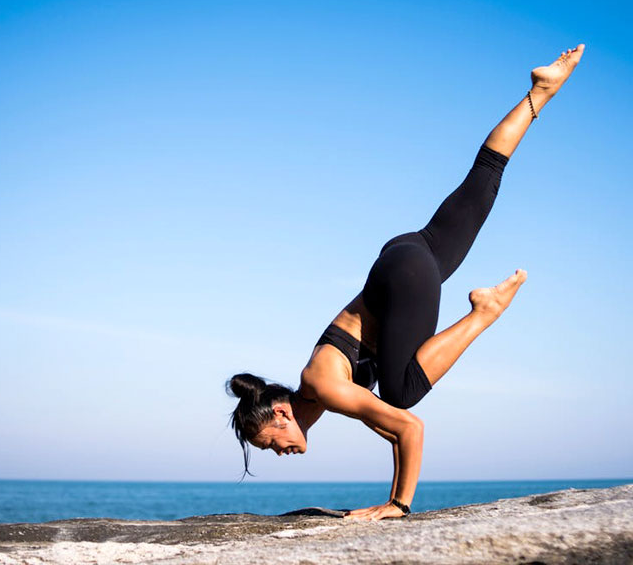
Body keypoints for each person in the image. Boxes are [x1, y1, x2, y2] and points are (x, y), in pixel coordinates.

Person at [226, 44, 586, 520]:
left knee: (401, 393)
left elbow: (408, 426)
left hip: (405, 279)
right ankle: (541, 91)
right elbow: (386, 428)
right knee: (482, 182)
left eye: (271, 443)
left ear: (281, 414)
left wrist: (397, 504)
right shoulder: (315, 394)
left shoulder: (322, 386)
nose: (278, 453)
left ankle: (484, 312)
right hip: (404, 258)